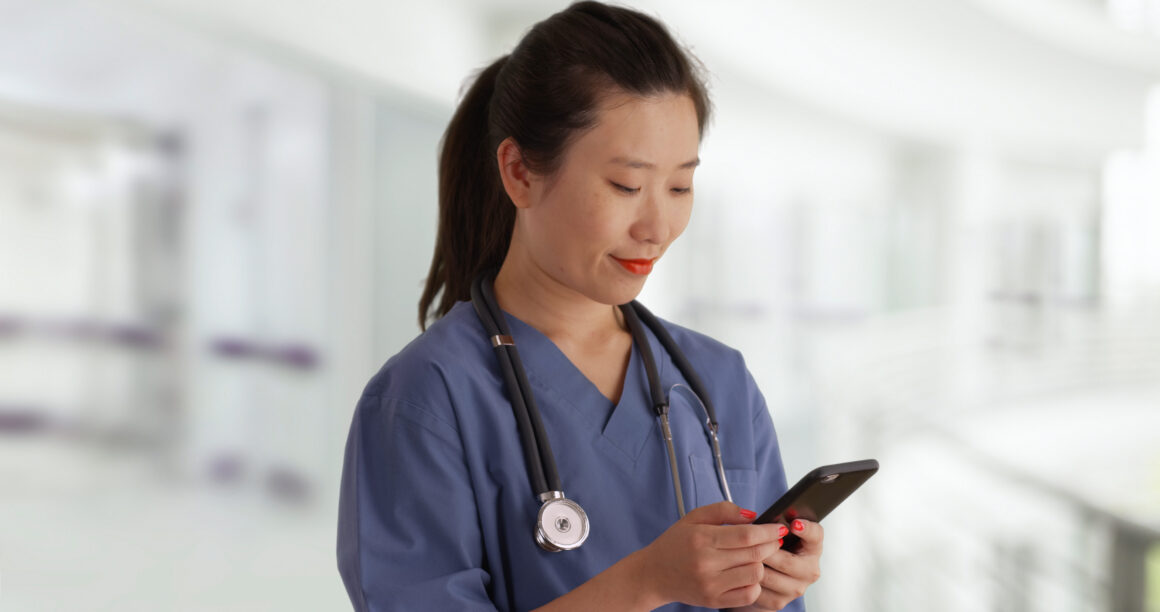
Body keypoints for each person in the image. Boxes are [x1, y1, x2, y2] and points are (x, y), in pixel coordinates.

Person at [337, 2, 823, 610]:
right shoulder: (426, 399)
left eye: (679, 187)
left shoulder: (720, 385)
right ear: (519, 173)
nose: (658, 226)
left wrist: (764, 594)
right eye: (626, 185)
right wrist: (646, 581)